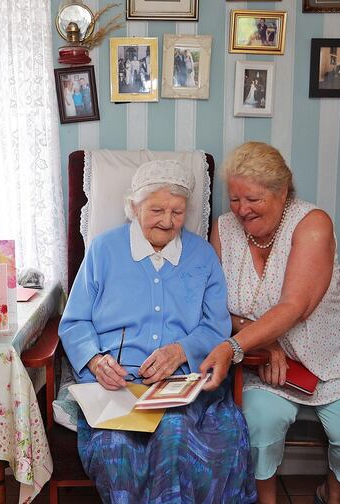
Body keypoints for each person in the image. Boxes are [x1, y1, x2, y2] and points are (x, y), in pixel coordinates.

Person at [59, 160, 257, 503]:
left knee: (177, 436)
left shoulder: (203, 256)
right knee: (118, 448)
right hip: (116, 387)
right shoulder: (103, 251)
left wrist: (181, 351)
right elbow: (75, 321)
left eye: (177, 212)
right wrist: (95, 361)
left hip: (184, 387)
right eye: (156, 209)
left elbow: (216, 325)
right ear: (133, 206)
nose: (168, 221)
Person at [199, 142, 340, 504]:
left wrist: (233, 345)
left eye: (252, 199)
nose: (241, 210)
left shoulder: (312, 223)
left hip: (333, 358)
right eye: (235, 199)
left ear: (282, 191)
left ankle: (331, 494)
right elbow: (215, 306)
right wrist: (260, 345)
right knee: (257, 427)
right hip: (264, 365)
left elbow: (295, 306)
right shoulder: (224, 229)